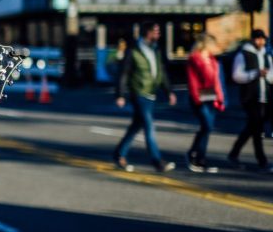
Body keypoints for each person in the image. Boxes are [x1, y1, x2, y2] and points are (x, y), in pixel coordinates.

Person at [113, 22, 177, 173]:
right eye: (155, 31)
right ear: (147, 32)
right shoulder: (133, 50)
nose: (158, 34)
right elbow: (124, 74)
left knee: (136, 126)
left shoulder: (155, 50)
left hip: (151, 94)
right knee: (149, 126)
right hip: (139, 93)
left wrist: (169, 92)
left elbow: (161, 72)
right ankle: (157, 161)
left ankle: (119, 154)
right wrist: (120, 95)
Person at [228, 29, 273, 173]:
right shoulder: (243, 54)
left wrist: (266, 75)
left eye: (263, 39)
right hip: (250, 97)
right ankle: (262, 161)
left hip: (265, 96)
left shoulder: (267, 55)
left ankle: (233, 154)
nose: (261, 42)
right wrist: (255, 73)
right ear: (252, 40)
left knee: (252, 127)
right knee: (257, 127)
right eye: (258, 39)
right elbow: (236, 76)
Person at [185, 34, 225, 173]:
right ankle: (193, 154)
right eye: (212, 44)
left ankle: (199, 158)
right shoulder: (194, 58)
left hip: (211, 96)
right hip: (199, 96)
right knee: (206, 126)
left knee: (206, 128)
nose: (215, 47)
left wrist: (220, 98)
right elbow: (192, 80)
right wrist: (196, 98)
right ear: (206, 44)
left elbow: (217, 82)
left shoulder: (213, 60)